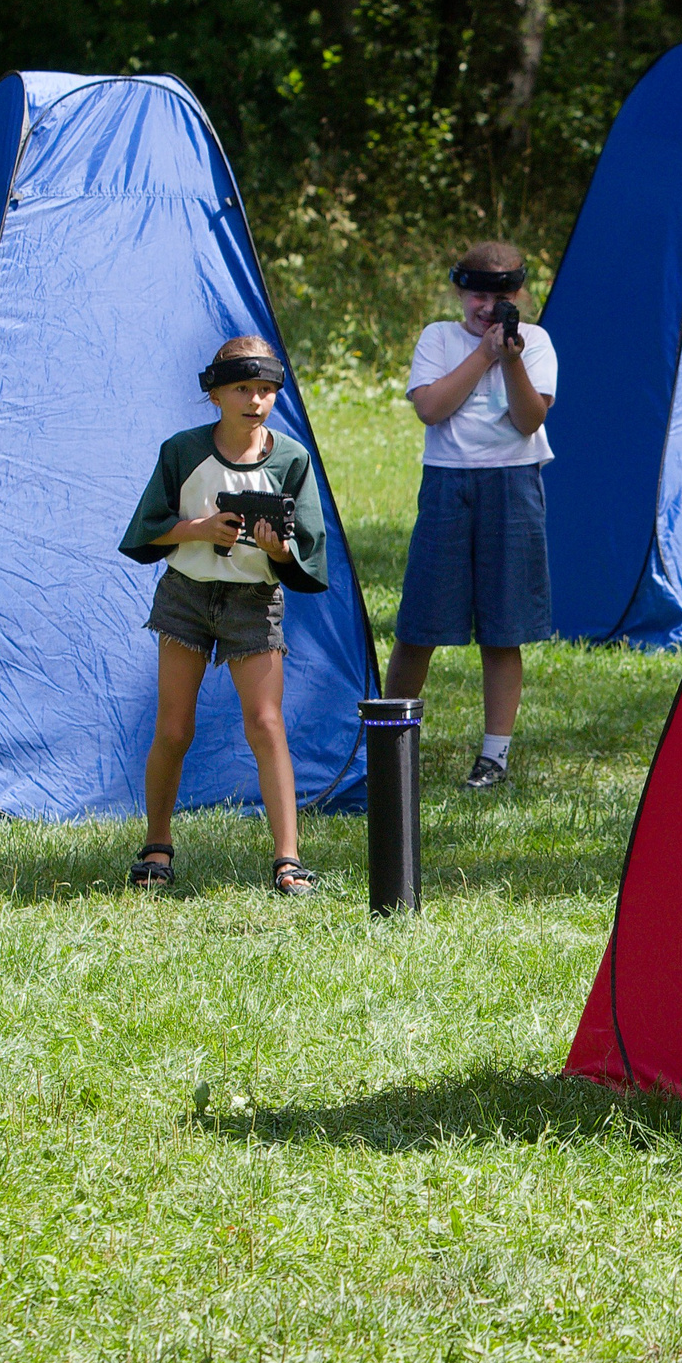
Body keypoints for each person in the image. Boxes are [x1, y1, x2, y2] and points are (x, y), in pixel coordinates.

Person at [118, 337, 332, 895]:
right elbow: (145, 529)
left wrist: (277, 549)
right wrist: (198, 530)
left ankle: (288, 859)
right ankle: (156, 844)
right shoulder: (182, 452)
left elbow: (306, 550)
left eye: (266, 390)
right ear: (213, 394)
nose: (255, 400)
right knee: (173, 726)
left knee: (266, 724)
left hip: (253, 602)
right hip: (185, 595)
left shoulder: (290, 459)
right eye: (242, 388)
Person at [384, 242, 558, 791]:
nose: (489, 306)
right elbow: (431, 407)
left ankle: (494, 755)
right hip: (449, 480)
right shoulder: (439, 337)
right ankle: (391, 741)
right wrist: (482, 355)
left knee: (504, 628)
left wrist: (509, 359)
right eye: (479, 294)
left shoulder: (537, 343)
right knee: (419, 623)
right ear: (461, 292)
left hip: (513, 481)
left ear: (520, 296)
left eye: (501, 295)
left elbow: (530, 419)